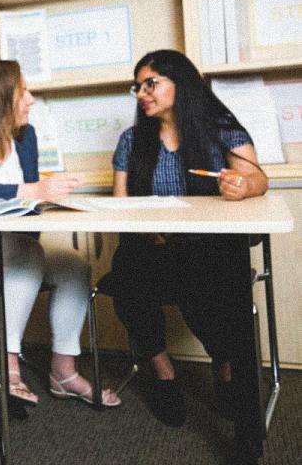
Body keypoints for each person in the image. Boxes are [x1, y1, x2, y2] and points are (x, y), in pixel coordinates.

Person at [108, 49, 268, 437]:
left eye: (152, 83)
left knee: (209, 283)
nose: (142, 93)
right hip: (154, 248)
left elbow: (259, 180)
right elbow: (119, 206)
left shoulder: (220, 128)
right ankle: (163, 371)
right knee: (125, 272)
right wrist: (145, 228)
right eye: (138, 86)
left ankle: (227, 366)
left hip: (209, 249)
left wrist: (242, 185)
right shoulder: (132, 140)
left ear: (181, 84)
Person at [0, 58, 120, 407]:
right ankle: (7, 366)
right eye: (23, 91)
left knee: (74, 266)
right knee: (28, 256)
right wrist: (30, 191)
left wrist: (49, 195)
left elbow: (33, 199)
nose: (31, 100)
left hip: (18, 245)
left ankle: (63, 371)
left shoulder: (26, 137)